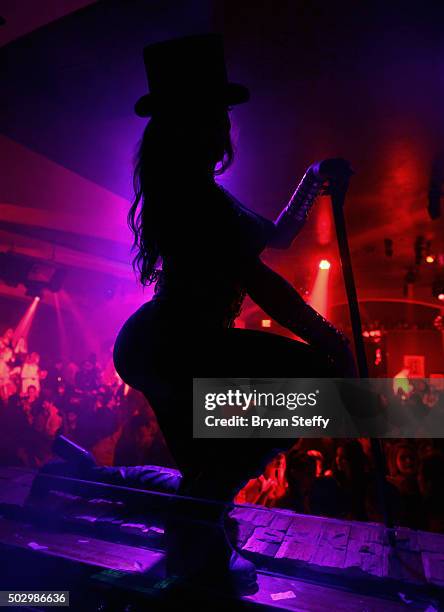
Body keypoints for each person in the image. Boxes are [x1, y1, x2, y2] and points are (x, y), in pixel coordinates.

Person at [113, 34, 356, 595]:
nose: (228, 122)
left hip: (158, 342)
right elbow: (262, 278)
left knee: (204, 465)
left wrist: (314, 177)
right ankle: (198, 544)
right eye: (219, 110)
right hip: (181, 341)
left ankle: (199, 550)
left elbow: (275, 239)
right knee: (317, 387)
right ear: (200, 121)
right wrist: (330, 340)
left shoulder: (183, 189)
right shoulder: (198, 196)